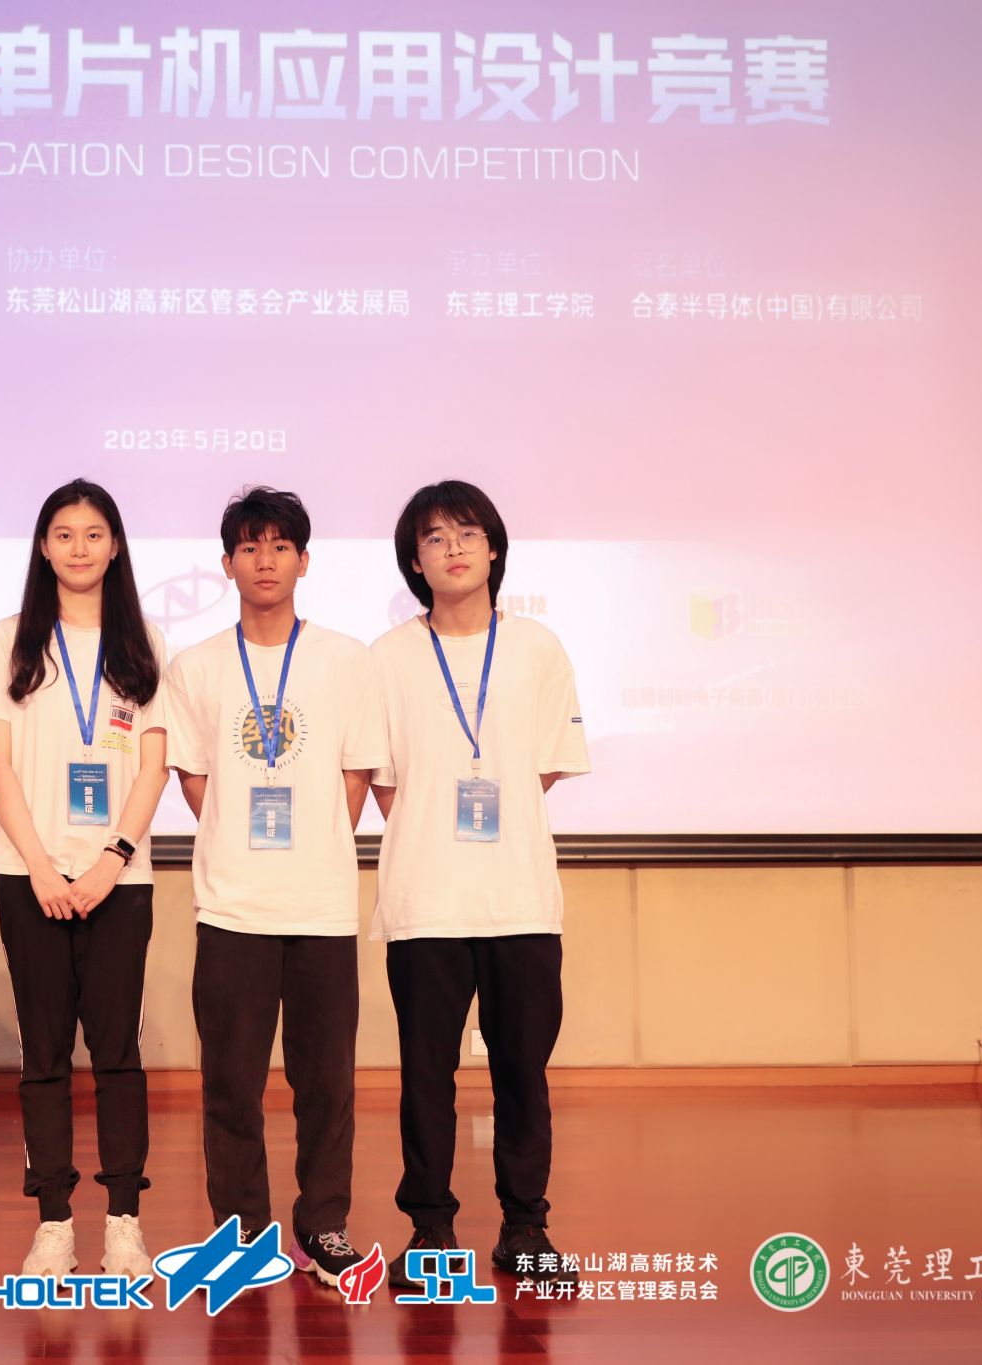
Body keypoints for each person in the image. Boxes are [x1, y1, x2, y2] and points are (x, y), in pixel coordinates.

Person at [162, 486, 386, 1287]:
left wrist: (310, 840)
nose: (266, 560)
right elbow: (193, 776)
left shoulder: (346, 659)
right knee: (231, 1085)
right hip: (231, 906)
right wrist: (243, 836)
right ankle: (243, 1233)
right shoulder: (195, 665)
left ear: (304, 560)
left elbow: (357, 773)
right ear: (226, 563)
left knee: (327, 1083)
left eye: (280, 545)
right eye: (250, 546)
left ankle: (324, 1225)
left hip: (321, 906)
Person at [369, 480, 590, 1289]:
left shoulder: (537, 648)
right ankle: (430, 1227)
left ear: (494, 548)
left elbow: (544, 767)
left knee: (522, 1071)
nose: (453, 547)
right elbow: (385, 781)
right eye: (434, 537)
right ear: (415, 562)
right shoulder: (387, 657)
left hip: (519, 897)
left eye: (467, 532)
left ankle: (525, 1225)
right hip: (424, 899)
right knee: (425, 1074)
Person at [0, 480, 169, 1280]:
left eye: (94, 533)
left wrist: (110, 860)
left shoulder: (143, 639)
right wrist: (41, 866)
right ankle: (53, 1222)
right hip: (29, 878)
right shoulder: (12, 638)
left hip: (120, 882)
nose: (80, 547)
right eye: (64, 533)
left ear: (115, 545)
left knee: (118, 1054)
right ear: (43, 546)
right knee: (45, 1054)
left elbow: (154, 763)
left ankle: (124, 1222)